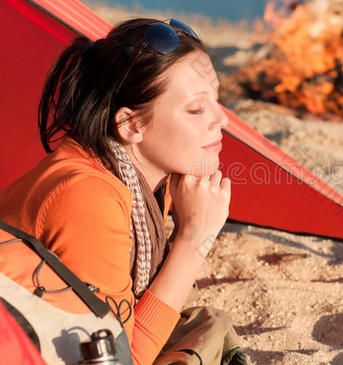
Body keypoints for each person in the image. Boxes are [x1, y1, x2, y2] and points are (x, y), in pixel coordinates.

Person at [0, 18, 249, 365]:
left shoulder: (142, 178)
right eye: (196, 109)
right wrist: (193, 241)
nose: (221, 119)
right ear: (132, 125)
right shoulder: (87, 196)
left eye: (216, 100)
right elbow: (122, 356)